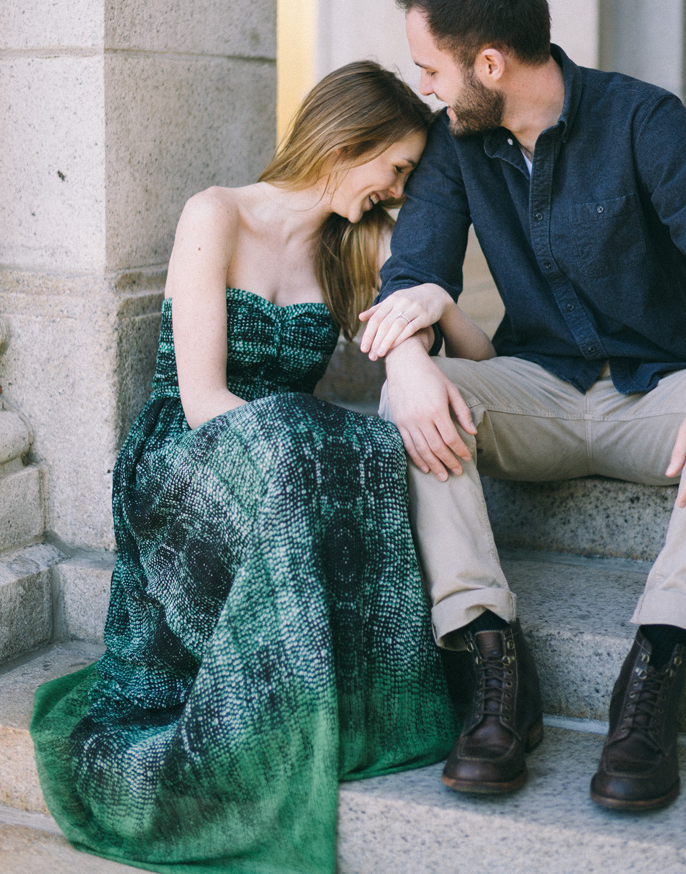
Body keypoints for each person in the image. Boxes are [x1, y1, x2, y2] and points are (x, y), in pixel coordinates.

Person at [359, 0, 686, 812]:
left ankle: (657, 664)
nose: (427, 89)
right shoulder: (459, 145)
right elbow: (410, 275)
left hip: (652, 394)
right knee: (411, 393)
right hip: (539, 390)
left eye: (432, 68)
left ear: (489, 64)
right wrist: (406, 365)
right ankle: (492, 659)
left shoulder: (642, 119)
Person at [30, 61, 468, 874]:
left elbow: (478, 353)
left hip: (277, 463)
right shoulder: (217, 213)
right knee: (297, 443)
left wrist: (432, 302)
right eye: (396, 167)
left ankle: (351, 696)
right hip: (185, 458)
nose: (397, 190)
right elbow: (201, 399)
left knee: (377, 443)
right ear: (348, 139)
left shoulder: (357, 248)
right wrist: (296, 445)